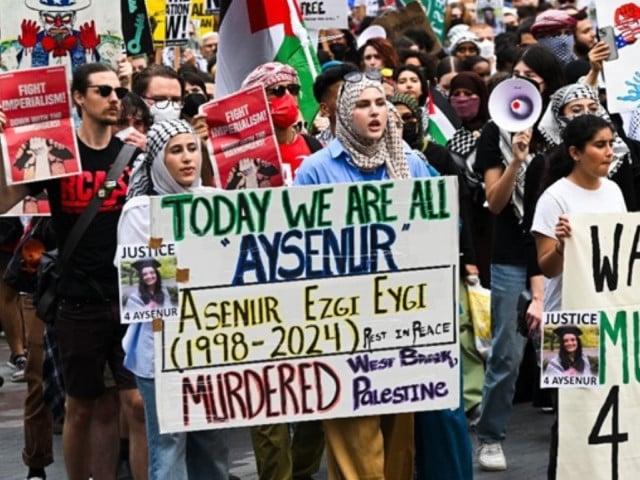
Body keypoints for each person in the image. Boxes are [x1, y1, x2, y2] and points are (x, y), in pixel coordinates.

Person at [0, 62, 148, 480]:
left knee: (136, 403)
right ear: (79, 98)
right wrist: (7, 143)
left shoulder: (135, 154)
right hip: (77, 301)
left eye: (117, 91)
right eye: (102, 91)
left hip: (132, 295)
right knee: (85, 407)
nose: (114, 98)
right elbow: (4, 198)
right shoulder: (56, 152)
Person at [295, 70, 432, 480]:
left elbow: (436, 233)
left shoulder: (412, 165)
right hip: (342, 324)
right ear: (341, 113)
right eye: (361, 104)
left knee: (398, 445)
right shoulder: (315, 171)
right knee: (355, 446)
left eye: (379, 103)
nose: (374, 112)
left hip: (401, 321)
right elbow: (300, 247)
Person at [118, 119, 229, 480]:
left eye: (193, 148)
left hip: (210, 345)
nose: (187, 159)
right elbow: (146, 290)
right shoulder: (138, 212)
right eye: (175, 150)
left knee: (212, 448)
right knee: (168, 449)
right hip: (160, 350)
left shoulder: (215, 202)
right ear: (157, 159)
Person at [473, 45, 566, 472]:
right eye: (518, 74)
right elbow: (494, 203)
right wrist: (517, 160)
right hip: (510, 255)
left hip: (555, 252)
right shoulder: (495, 133)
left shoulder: (560, 131)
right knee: (506, 355)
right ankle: (491, 436)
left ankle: (573, 429)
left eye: (534, 77)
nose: (523, 82)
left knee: (565, 348)